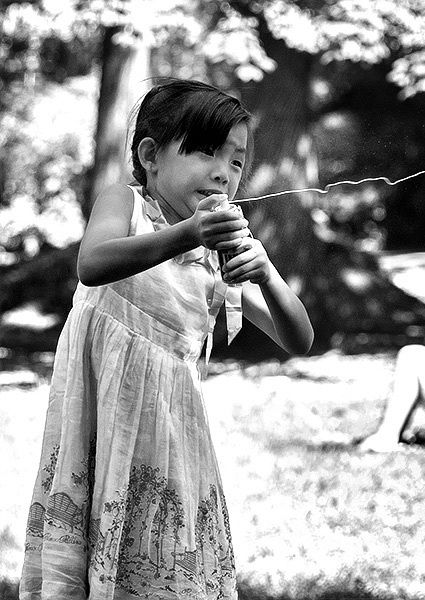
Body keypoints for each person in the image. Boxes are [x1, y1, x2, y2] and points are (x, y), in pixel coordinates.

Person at [19, 79, 314, 600]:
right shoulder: (125, 205)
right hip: (100, 417)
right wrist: (186, 234)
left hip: (170, 433)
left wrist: (267, 274)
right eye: (206, 151)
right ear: (151, 156)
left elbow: (299, 338)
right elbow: (92, 264)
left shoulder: (217, 256)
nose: (223, 172)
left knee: (158, 559)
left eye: (236, 162)